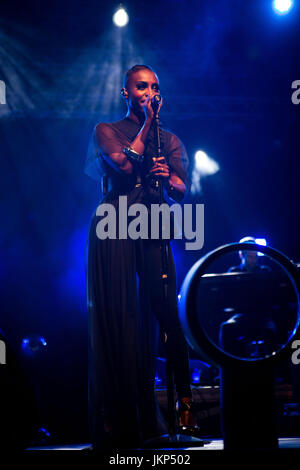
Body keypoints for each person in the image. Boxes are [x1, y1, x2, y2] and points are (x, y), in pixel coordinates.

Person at [84, 65, 195, 450]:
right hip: (114, 225)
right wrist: (147, 124)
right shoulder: (107, 129)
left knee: (166, 312)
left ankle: (184, 412)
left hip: (152, 225)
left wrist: (168, 178)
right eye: (142, 86)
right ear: (126, 93)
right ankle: (118, 420)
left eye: (155, 87)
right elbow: (124, 163)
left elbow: (182, 189)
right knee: (120, 317)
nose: (150, 92)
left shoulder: (171, 140)